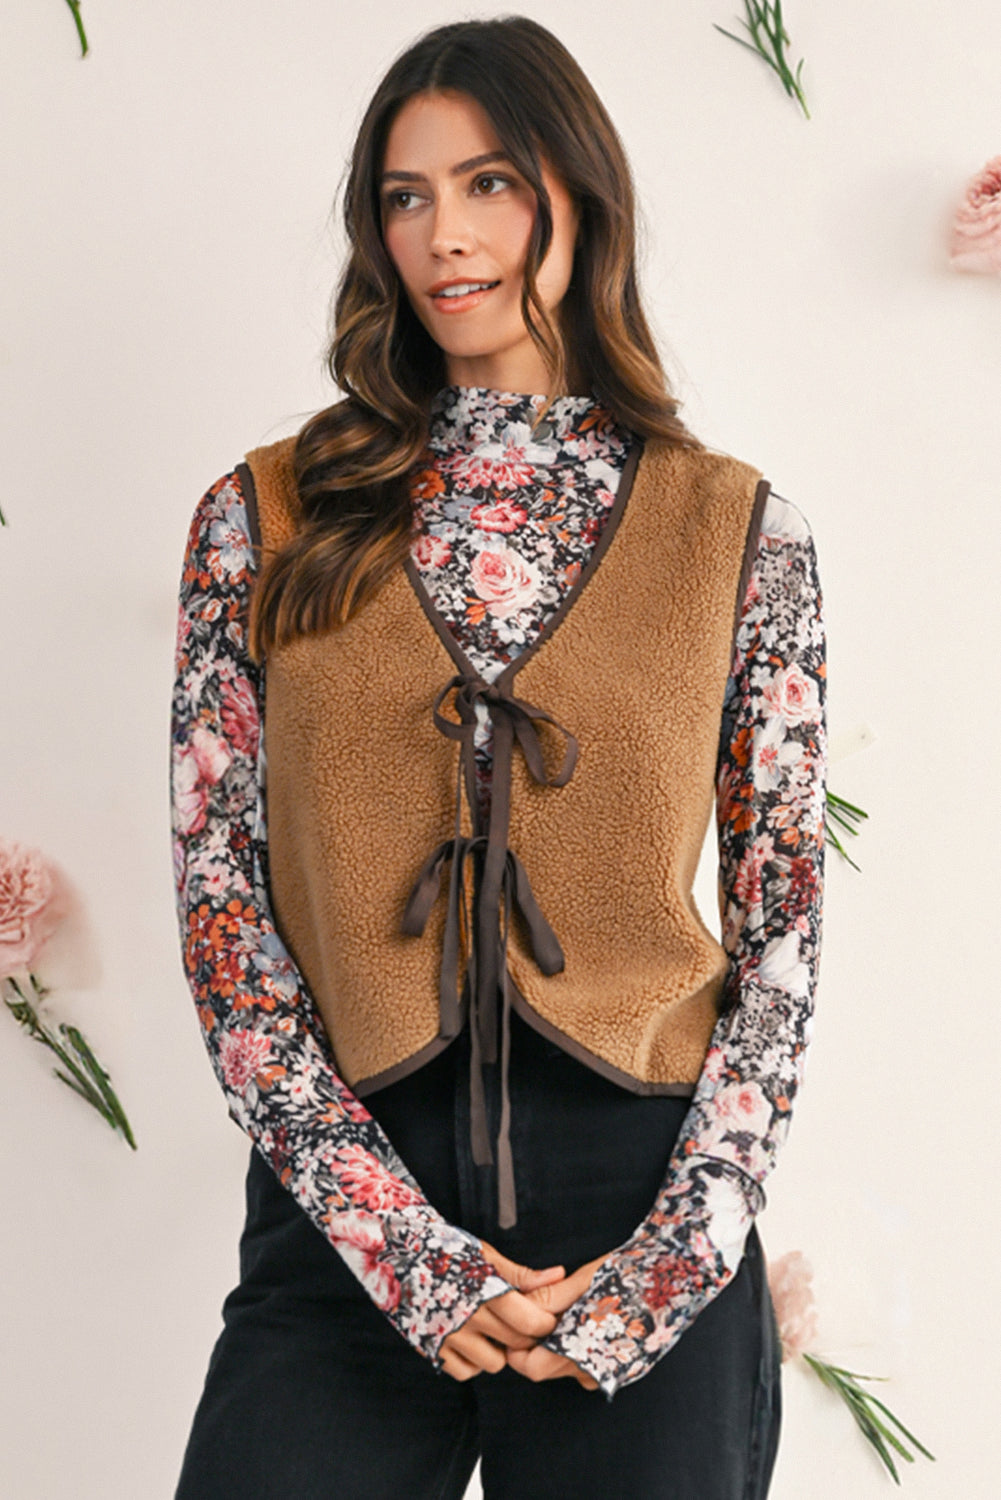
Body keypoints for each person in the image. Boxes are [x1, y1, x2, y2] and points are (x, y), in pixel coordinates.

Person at [170, 15, 826, 1499]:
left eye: (489, 185)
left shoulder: (737, 531)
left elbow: (782, 926)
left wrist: (671, 1266)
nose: (444, 236)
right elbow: (225, 917)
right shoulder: (259, 518)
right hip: (345, 1209)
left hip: (644, 1206)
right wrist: (400, 1250)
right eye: (405, 196)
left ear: (578, 196)